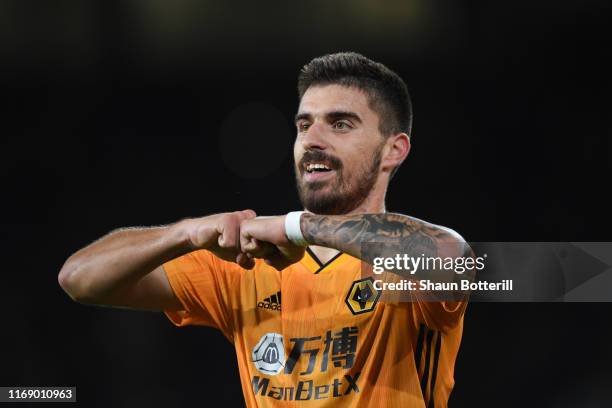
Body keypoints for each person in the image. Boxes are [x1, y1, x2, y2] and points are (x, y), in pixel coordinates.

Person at [59, 52, 470, 407]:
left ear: (393, 150)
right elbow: (80, 279)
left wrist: (297, 227)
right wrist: (187, 232)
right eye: (304, 124)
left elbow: (453, 261)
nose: (313, 139)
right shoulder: (248, 264)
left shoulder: (401, 268)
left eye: (341, 124)